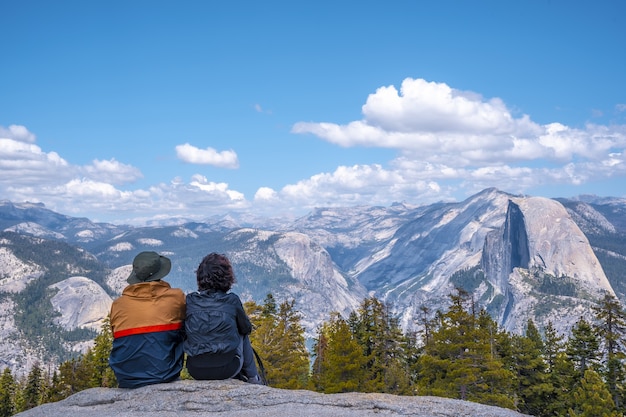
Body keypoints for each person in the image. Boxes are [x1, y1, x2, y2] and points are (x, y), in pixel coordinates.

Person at [109, 251, 186, 388]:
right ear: (160, 273)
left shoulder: (118, 305)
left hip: (126, 378)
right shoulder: (177, 298)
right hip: (165, 375)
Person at [184, 252, 263, 384]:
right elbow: (246, 329)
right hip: (228, 368)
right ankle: (253, 379)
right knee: (241, 332)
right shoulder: (232, 301)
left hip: (196, 369)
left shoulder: (190, 301)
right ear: (227, 277)